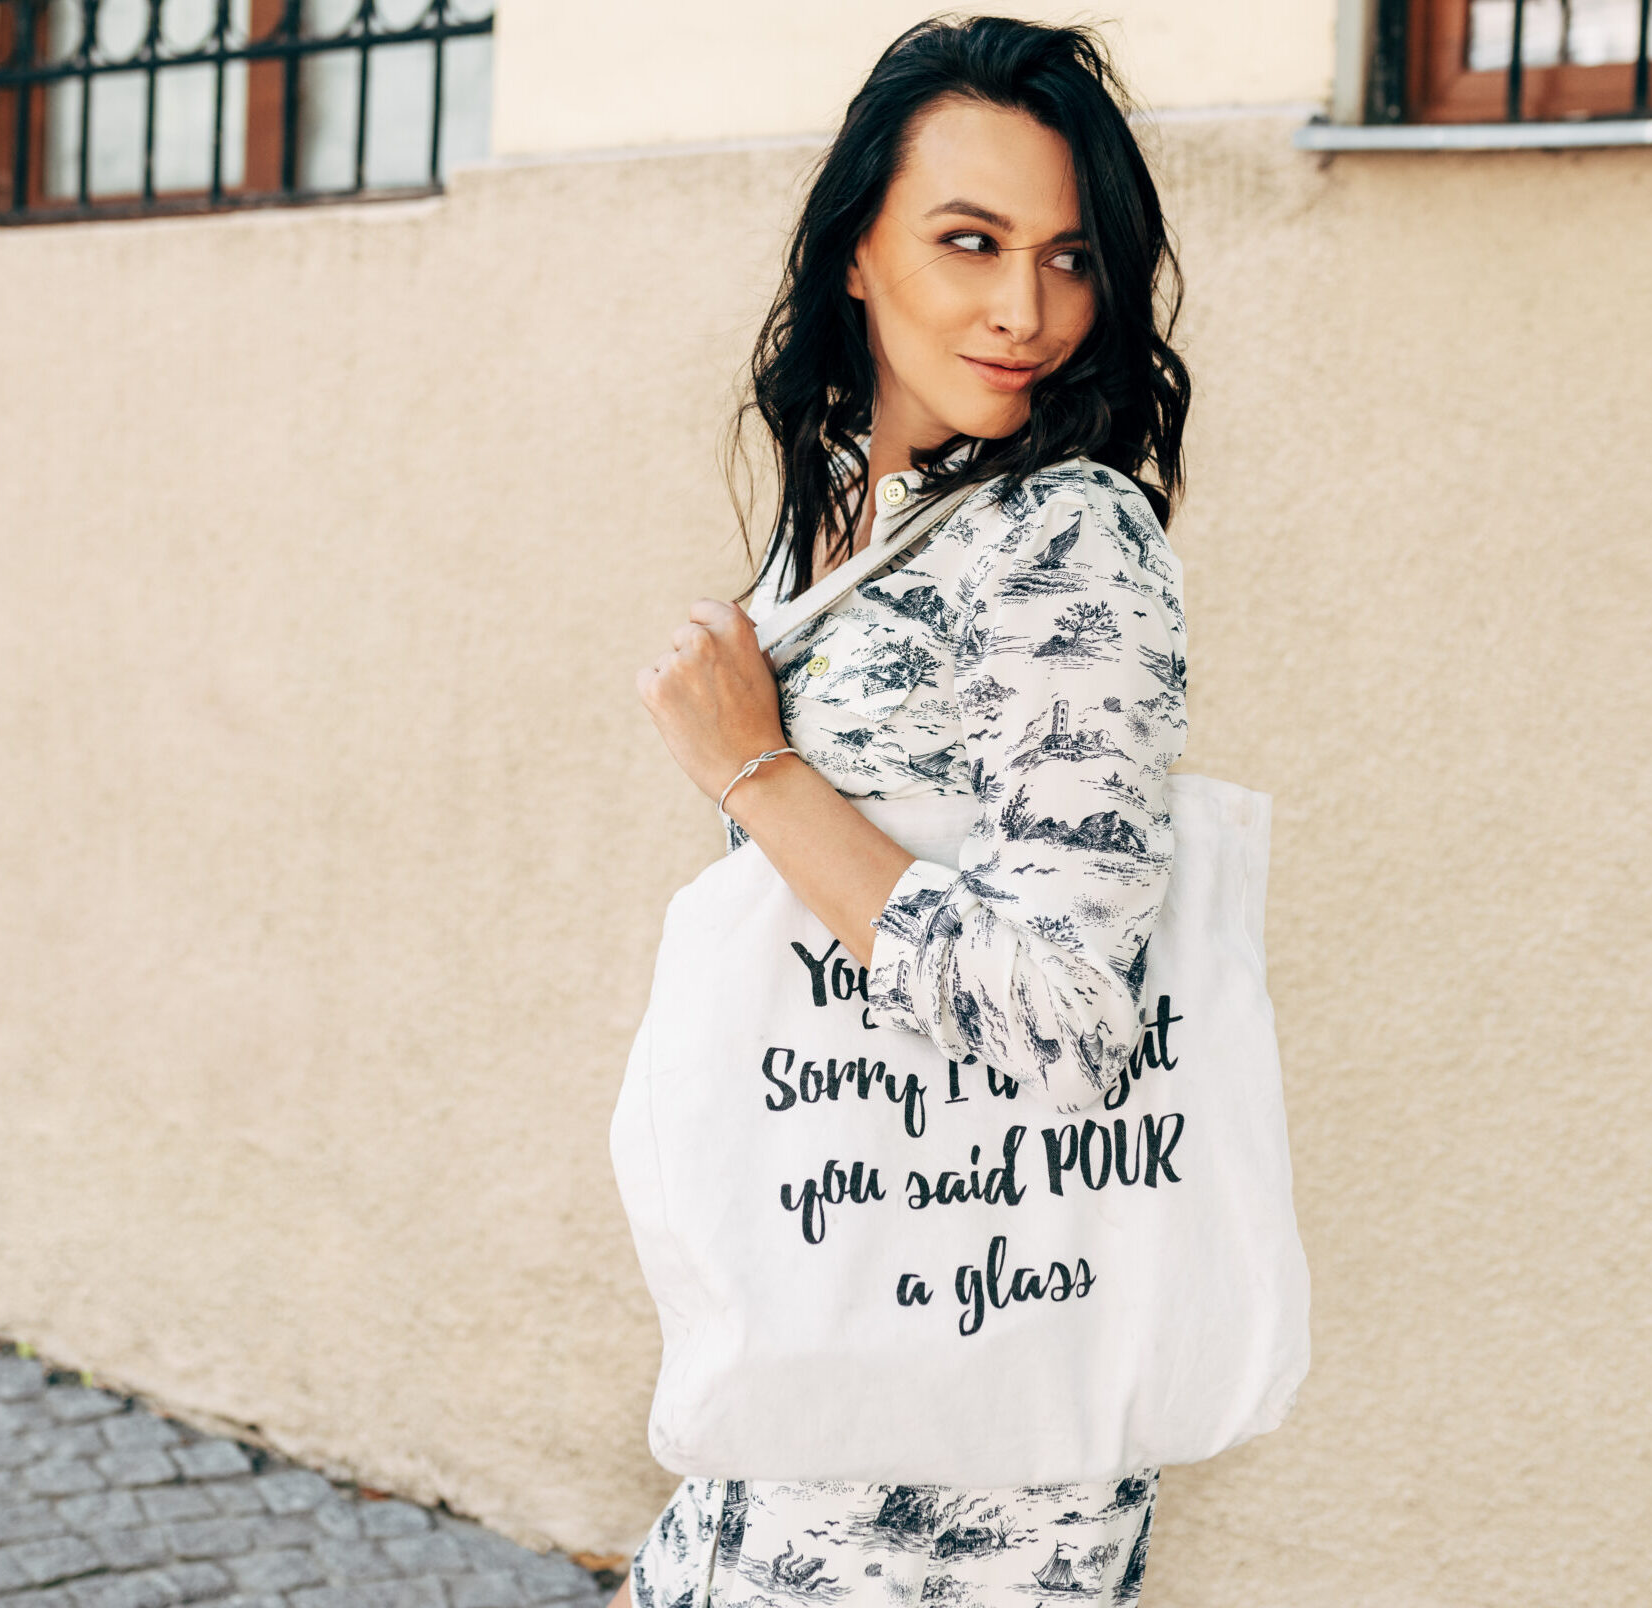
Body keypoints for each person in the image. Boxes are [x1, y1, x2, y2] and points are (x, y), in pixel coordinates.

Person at [624, 16, 1191, 1608]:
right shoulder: (853, 518)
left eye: (1070, 258)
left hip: (959, 1457)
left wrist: (756, 768)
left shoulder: (1065, 537)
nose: (1026, 310)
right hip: (812, 1368)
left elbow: (1070, 1012)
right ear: (856, 252)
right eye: (970, 242)